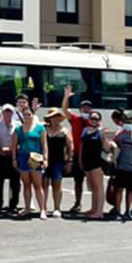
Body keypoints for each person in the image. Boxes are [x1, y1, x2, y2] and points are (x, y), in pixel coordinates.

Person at [11, 104, 48, 220]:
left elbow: (44, 145)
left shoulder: (40, 128)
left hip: (35, 156)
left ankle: (42, 209)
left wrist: (45, 158)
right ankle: (27, 208)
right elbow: (14, 146)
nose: (27, 116)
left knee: (38, 184)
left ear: (33, 115)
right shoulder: (18, 129)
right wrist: (14, 159)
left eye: (29, 114)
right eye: (25, 114)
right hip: (22, 156)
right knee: (26, 185)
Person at [61, 85, 90, 214]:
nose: (86, 109)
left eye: (88, 107)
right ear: (80, 109)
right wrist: (66, 97)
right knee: (78, 181)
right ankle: (78, 203)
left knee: (93, 182)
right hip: (78, 154)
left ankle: (95, 205)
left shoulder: (94, 121)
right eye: (84, 107)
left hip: (90, 156)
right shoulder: (76, 120)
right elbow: (65, 109)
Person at [111, 112, 132, 220]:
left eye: (130, 122)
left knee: (130, 191)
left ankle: (127, 211)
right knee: (119, 189)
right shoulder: (119, 135)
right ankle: (117, 210)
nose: (128, 124)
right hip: (121, 167)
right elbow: (114, 147)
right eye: (126, 122)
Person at [42, 108, 73, 218]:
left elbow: (70, 147)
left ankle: (57, 208)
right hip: (44, 160)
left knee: (57, 184)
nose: (55, 119)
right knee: (43, 185)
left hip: (59, 161)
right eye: (52, 117)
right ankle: (43, 208)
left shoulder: (65, 130)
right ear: (49, 119)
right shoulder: (43, 129)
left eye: (57, 117)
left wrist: (69, 161)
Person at [79, 111, 108, 219]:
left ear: (99, 120)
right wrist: (80, 161)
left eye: (96, 119)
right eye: (92, 118)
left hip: (97, 164)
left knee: (98, 187)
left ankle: (99, 212)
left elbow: (107, 148)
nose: (94, 120)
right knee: (93, 188)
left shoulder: (101, 132)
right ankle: (94, 208)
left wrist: (105, 137)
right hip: (87, 163)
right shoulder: (85, 130)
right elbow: (82, 146)